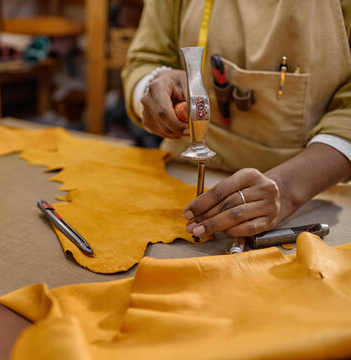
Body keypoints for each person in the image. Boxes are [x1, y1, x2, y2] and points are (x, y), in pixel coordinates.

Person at [122, 0, 351, 239]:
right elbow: (145, 59)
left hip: (311, 194)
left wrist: (287, 188)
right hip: (179, 177)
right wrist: (151, 89)